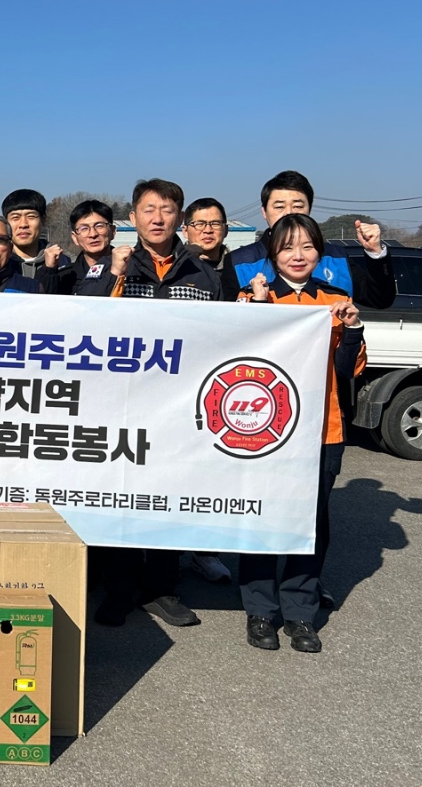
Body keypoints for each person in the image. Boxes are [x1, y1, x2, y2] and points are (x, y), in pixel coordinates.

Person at [238, 214, 365, 654]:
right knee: (260, 515)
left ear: (319, 253)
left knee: (310, 522)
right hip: (263, 430)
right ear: (272, 253)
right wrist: (256, 310)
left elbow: (347, 371)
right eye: (287, 246)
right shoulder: (254, 297)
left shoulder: (335, 300)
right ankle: (259, 609)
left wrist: (352, 329)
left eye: (307, 246)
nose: (298, 255)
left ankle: (300, 612)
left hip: (322, 429)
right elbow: (239, 357)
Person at [98, 178, 222, 630]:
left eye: (167, 210)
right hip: (122, 406)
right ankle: (120, 589)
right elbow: (84, 321)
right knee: (119, 497)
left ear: (180, 218)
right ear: (132, 218)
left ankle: (162, 589)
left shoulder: (203, 273)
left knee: (169, 497)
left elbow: (223, 338)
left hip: (178, 410)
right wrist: (113, 276)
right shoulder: (116, 267)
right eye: (148, 210)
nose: (157, 218)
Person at [223, 170, 394, 308]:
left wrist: (375, 253)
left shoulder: (337, 257)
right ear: (264, 212)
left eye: (298, 206)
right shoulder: (239, 262)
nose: (289, 213)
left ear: (309, 209)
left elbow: (379, 300)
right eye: (279, 206)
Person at [178, 197, 235, 586]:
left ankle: (205, 551)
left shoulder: (240, 267)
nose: (207, 230)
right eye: (199, 224)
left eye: (215, 224)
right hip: (180, 382)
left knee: (214, 475)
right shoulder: (178, 265)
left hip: (223, 386)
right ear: (187, 229)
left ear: (226, 229)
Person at [2, 189, 67, 294]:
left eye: (31, 216)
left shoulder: (62, 262)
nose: (23, 224)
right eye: (15, 217)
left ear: (43, 220)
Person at [65, 200, 118, 296]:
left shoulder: (133, 271)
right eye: (84, 228)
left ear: (113, 231)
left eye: (99, 226)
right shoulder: (65, 277)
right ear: (75, 238)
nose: (93, 234)